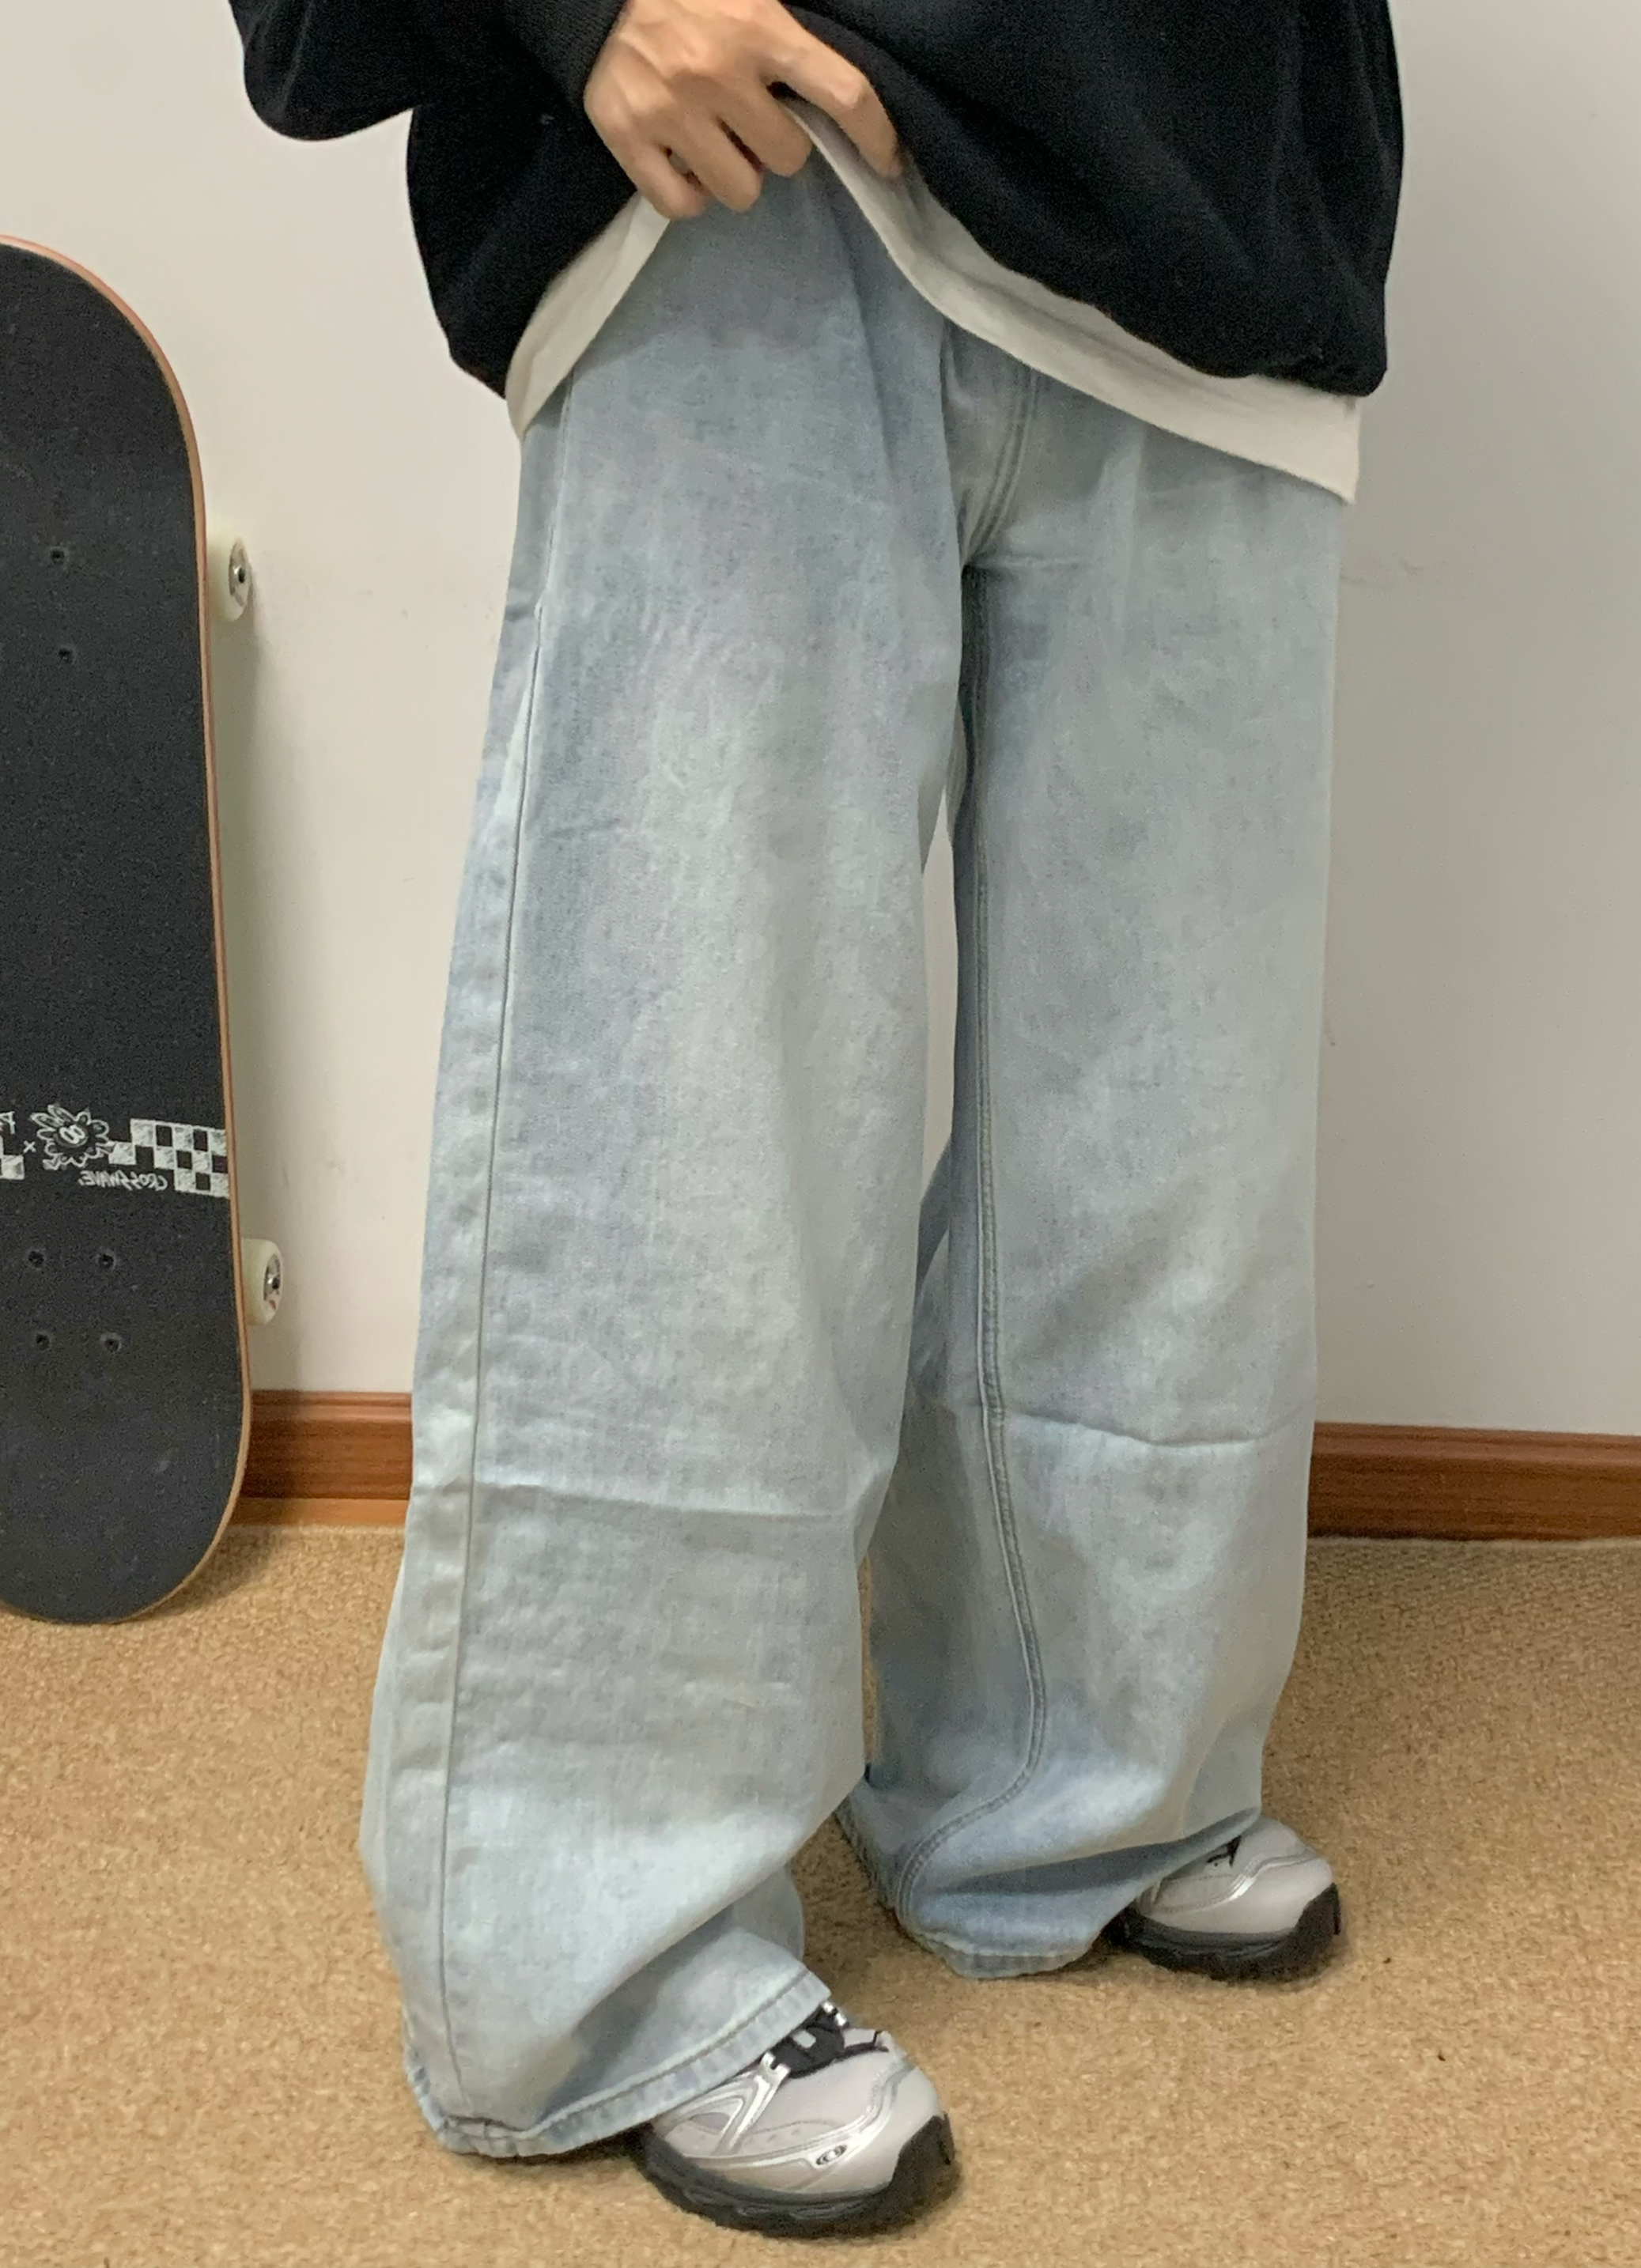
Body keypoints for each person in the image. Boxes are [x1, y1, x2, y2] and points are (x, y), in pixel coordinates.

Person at [229, 0, 1403, 2238]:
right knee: (691, 1111)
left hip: (1217, 198)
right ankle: (605, 1942)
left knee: (1175, 1125)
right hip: (756, 171)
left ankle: (1088, 1784)